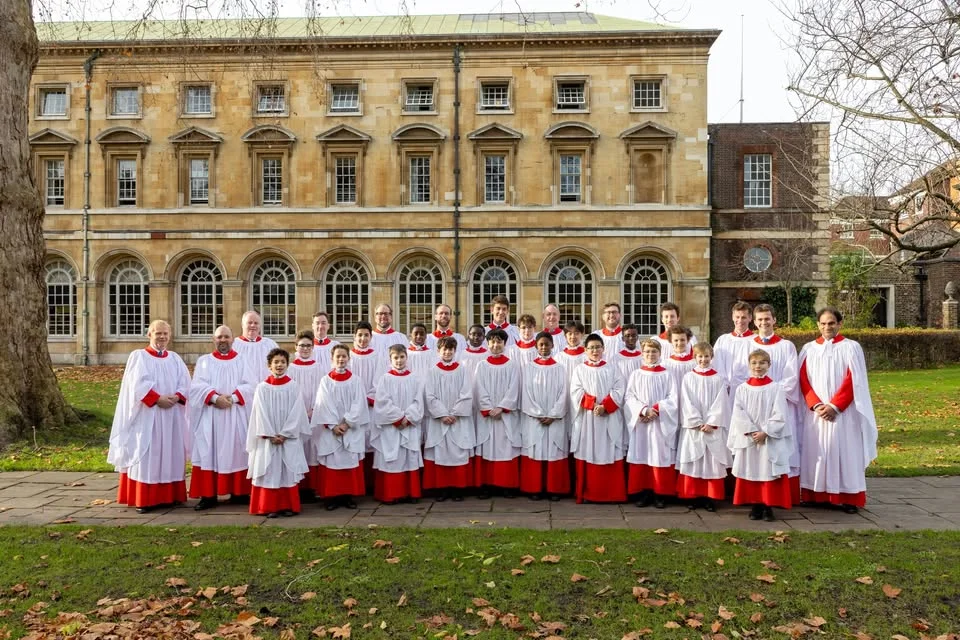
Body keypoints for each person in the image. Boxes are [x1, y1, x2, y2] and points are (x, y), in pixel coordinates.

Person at [798, 307, 878, 514]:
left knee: (844, 451)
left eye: (831, 323)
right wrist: (816, 404)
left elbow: (855, 379)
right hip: (815, 413)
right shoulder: (808, 349)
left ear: (839, 324)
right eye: (823, 323)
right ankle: (816, 495)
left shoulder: (851, 347)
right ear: (817, 325)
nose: (827, 327)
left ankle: (848, 497)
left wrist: (835, 406)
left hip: (843, 413)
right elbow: (803, 380)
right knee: (817, 452)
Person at [108, 320, 191, 514]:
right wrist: (157, 398)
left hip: (171, 416)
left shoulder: (175, 358)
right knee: (148, 453)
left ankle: (170, 496)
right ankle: (145, 498)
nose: (162, 337)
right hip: (149, 416)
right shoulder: (139, 357)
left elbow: (185, 381)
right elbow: (136, 385)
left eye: (165, 333)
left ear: (170, 335)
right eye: (157, 333)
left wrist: (178, 395)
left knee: (171, 453)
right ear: (149, 334)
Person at [187, 325, 256, 511]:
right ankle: (208, 496)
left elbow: (251, 385)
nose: (223, 340)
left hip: (235, 414)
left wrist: (232, 398)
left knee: (237, 450)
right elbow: (196, 387)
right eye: (219, 337)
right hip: (212, 416)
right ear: (213, 339)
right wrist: (215, 398)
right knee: (208, 451)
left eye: (226, 336)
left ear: (233, 339)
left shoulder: (243, 361)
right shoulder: (204, 361)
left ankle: (239, 492)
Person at [728, 349, 793, 522]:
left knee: (767, 471)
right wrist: (750, 430)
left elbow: (780, 414)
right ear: (749, 365)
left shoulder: (776, 388)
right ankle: (755, 505)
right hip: (749, 437)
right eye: (754, 363)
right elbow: (738, 412)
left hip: (768, 437)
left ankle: (768, 506)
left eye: (762, 363)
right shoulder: (742, 389)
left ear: (769, 365)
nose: (758, 366)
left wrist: (765, 432)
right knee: (751, 469)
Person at [245, 348, 311, 518]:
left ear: (287, 365)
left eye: (282, 362)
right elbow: (259, 412)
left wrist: (285, 434)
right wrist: (269, 434)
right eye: (276, 362)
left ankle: (288, 505)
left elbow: (297, 412)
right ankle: (269, 506)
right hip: (268, 438)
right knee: (270, 469)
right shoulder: (262, 388)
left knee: (286, 469)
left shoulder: (293, 386)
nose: (279, 365)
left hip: (287, 438)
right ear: (269, 365)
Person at [750, 304, 802, 504]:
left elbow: (791, 377)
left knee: (780, 448)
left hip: (780, 407)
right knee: (758, 451)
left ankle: (780, 496)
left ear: (774, 321)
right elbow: (742, 375)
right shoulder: (748, 345)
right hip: (755, 407)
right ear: (755, 322)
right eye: (760, 319)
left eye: (767, 319)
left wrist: (771, 392)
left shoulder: (786, 346)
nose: (764, 323)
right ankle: (757, 497)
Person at [569, 333, 627, 504]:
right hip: (589, 419)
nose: (595, 351)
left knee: (610, 451)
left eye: (598, 347)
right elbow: (576, 391)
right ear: (585, 350)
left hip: (608, 417)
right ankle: (587, 493)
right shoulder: (580, 369)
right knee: (589, 450)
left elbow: (619, 389)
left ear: (603, 349)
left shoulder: (612, 368)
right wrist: (593, 404)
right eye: (591, 348)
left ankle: (612, 494)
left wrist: (605, 406)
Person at [624, 338, 679, 509]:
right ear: (642, 353)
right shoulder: (636, 374)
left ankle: (660, 494)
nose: (650, 354)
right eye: (647, 351)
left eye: (654, 351)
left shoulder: (667, 374)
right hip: (641, 422)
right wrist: (643, 410)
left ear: (660, 353)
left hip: (659, 422)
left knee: (659, 456)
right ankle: (642, 492)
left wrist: (656, 409)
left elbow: (673, 398)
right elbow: (629, 397)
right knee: (642, 455)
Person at [676, 343, 731, 512]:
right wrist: (697, 421)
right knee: (694, 460)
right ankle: (693, 496)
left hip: (711, 428)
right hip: (695, 427)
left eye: (706, 356)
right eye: (700, 356)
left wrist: (712, 422)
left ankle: (710, 497)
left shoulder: (718, 378)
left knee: (711, 462)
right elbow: (685, 401)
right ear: (694, 357)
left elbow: (721, 402)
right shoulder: (688, 377)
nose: (703, 360)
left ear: (711, 357)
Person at [312, 344, 368, 510]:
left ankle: (348, 496)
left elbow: (359, 404)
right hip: (332, 431)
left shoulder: (356, 380)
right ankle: (332, 498)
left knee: (349, 462)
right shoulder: (325, 381)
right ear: (332, 359)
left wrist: (347, 423)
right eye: (338, 356)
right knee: (333, 463)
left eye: (344, 356)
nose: (341, 359)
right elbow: (323, 404)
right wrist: (332, 425)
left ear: (348, 359)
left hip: (350, 428)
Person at [519, 331, 570, 500]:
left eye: (547, 344)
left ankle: (554, 489)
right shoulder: (529, 368)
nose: (544, 347)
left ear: (552, 345)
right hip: (535, 419)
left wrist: (554, 414)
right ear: (536, 346)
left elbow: (564, 393)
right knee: (536, 450)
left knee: (553, 451)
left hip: (554, 419)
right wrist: (539, 414)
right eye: (540, 344)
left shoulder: (560, 368)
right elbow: (526, 392)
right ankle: (535, 488)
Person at [423, 336, 475, 501]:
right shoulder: (432, 371)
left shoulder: (462, 370)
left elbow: (466, 393)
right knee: (441, 453)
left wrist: (454, 413)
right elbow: (429, 396)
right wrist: (443, 414)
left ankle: (457, 489)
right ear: (438, 351)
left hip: (457, 419)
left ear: (455, 351)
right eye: (444, 349)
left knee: (457, 453)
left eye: (450, 349)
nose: (447, 352)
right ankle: (442, 489)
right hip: (440, 420)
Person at [372, 345, 425, 504]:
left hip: (409, 424)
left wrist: (408, 417)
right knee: (392, 458)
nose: (399, 361)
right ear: (390, 360)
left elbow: (418, 401)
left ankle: (411, 492)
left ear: (406, 358)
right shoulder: (385, 378)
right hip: (392, 427)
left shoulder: (415, 378)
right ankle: (392, 494)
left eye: (402, 357)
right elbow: (382, 402)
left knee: (409, 457)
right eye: (396, 358)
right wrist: (398, 418)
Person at [473, 328, 522, 497]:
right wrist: (488, 408)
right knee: (487, 447)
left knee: (505, 448)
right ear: (488, 344)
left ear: (504, 344)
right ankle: (486, 485)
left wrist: (501, 407)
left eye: (499, 342)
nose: (496, 345)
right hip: (488, 416)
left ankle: (507, 485)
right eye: (492, 342)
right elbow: (479, 388)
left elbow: (514, 389)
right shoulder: (482, 366)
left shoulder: (512, 365)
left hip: (504, 416)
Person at [288, 329, 326, 503]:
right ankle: (299, 487)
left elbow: (322, 392)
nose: (305, 349)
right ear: (296, 346)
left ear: (313, 348)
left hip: (313, 414)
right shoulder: (290, 368)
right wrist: (300, 412)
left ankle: (312, 488)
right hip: (296, 416)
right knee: (298, 449)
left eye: (308, 346)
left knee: (313, 449)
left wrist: (312, 411)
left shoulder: (319, 368)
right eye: (302, 345)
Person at [713, 302, 754, 388]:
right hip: (726, 388)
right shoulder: (723, 340)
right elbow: (716, 364)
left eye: (743, 317)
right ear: (732, 317)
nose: (740, 321)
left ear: (750, 318)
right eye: (737, 317)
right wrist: (723, 384)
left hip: (749, 388)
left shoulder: (756, 341)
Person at [233, 310, 279, 384]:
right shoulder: (233, 345)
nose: (253, 325)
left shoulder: (270, 344)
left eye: (256, 323)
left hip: (266, 389)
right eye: (250, 322)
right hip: (241, 391)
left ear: (260, 325)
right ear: (242, 325)